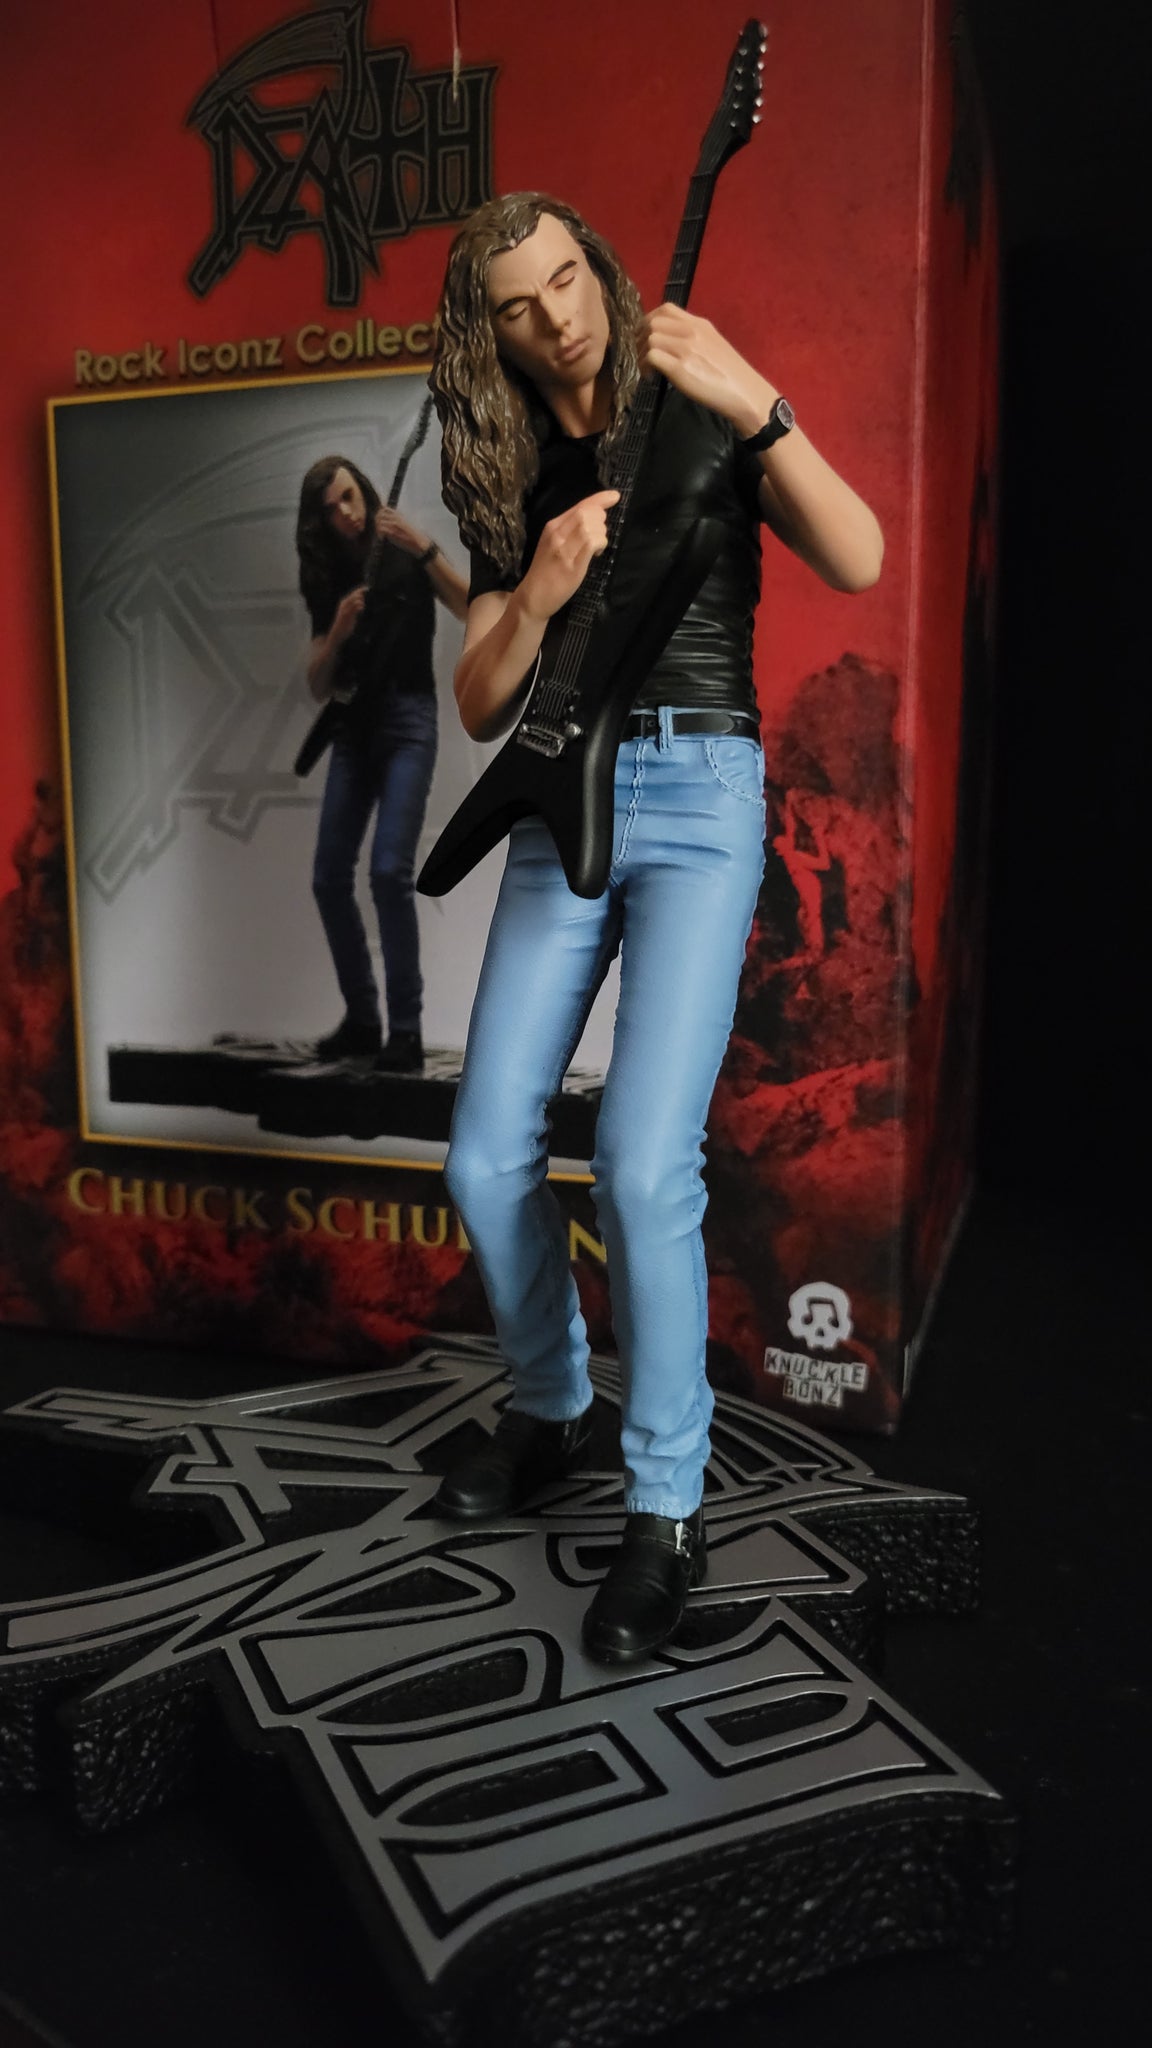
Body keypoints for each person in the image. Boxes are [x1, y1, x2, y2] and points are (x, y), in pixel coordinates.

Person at [427, 193, 883, 1659]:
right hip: (563, 793)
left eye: (567, 278)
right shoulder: (507, 465)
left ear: (601, 273)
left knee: (638, 1162)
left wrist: (758, 401)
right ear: (491, 330)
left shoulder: (696, 389)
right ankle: (551, 1405)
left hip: (699, 791)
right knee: (484, 1149)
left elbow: (859, 555)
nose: (555, 316)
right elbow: (478, 701)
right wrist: (542, 587)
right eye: (519, 302)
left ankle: (667, 1508)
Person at [296, 453, 469, 1071]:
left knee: (390, 872)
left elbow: (470, 606)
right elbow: (317, 684)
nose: (345, 514)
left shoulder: (400, 546)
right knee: (327, 877)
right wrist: (339, 630)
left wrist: (424, 548)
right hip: (353, 729)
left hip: (407, 721)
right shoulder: (325, 572)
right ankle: (364, 1020)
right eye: (331, 510)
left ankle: (406, 1031)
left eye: (349, 497)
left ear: (364, 490)